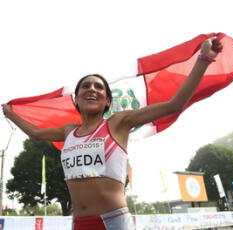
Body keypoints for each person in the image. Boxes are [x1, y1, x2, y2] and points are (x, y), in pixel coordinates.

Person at [2, 37, 221, 230]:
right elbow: (35, 133)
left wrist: (204, 59)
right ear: (76, 99)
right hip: (79, 223)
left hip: (114, 222)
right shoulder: (68, 131)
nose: (92, 89)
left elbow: (174, 104)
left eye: (99, 87)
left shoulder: (118, 123)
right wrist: (11, 115)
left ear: (107, 100)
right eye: (85, 86)